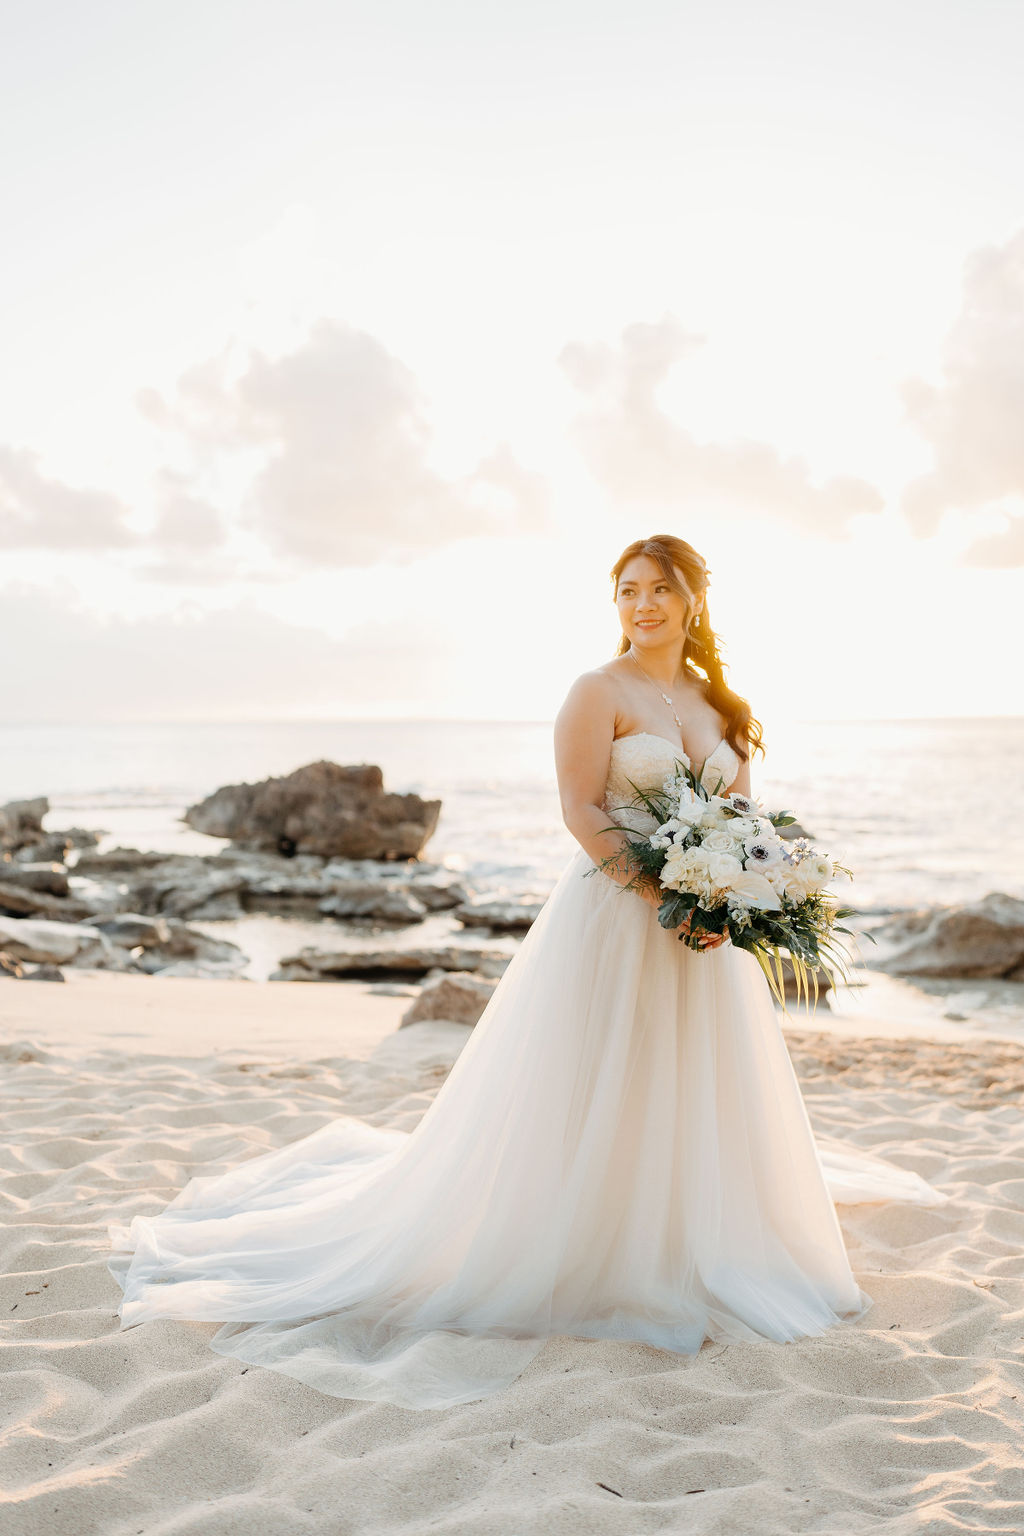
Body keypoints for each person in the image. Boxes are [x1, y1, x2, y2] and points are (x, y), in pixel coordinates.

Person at [107, 533, 945, 1410]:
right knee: (592, 1080)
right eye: (627, 591)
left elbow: (746, 820)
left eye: (659, 589)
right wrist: (666, 893)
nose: (643, 605)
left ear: (693, 599)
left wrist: (737, 902)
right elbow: (581, 809)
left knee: (691, 1086)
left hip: (704, 940)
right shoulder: (596, 691)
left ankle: (686, 1240)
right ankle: (587, 1242)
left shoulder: (722, 706)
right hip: (616, 918)